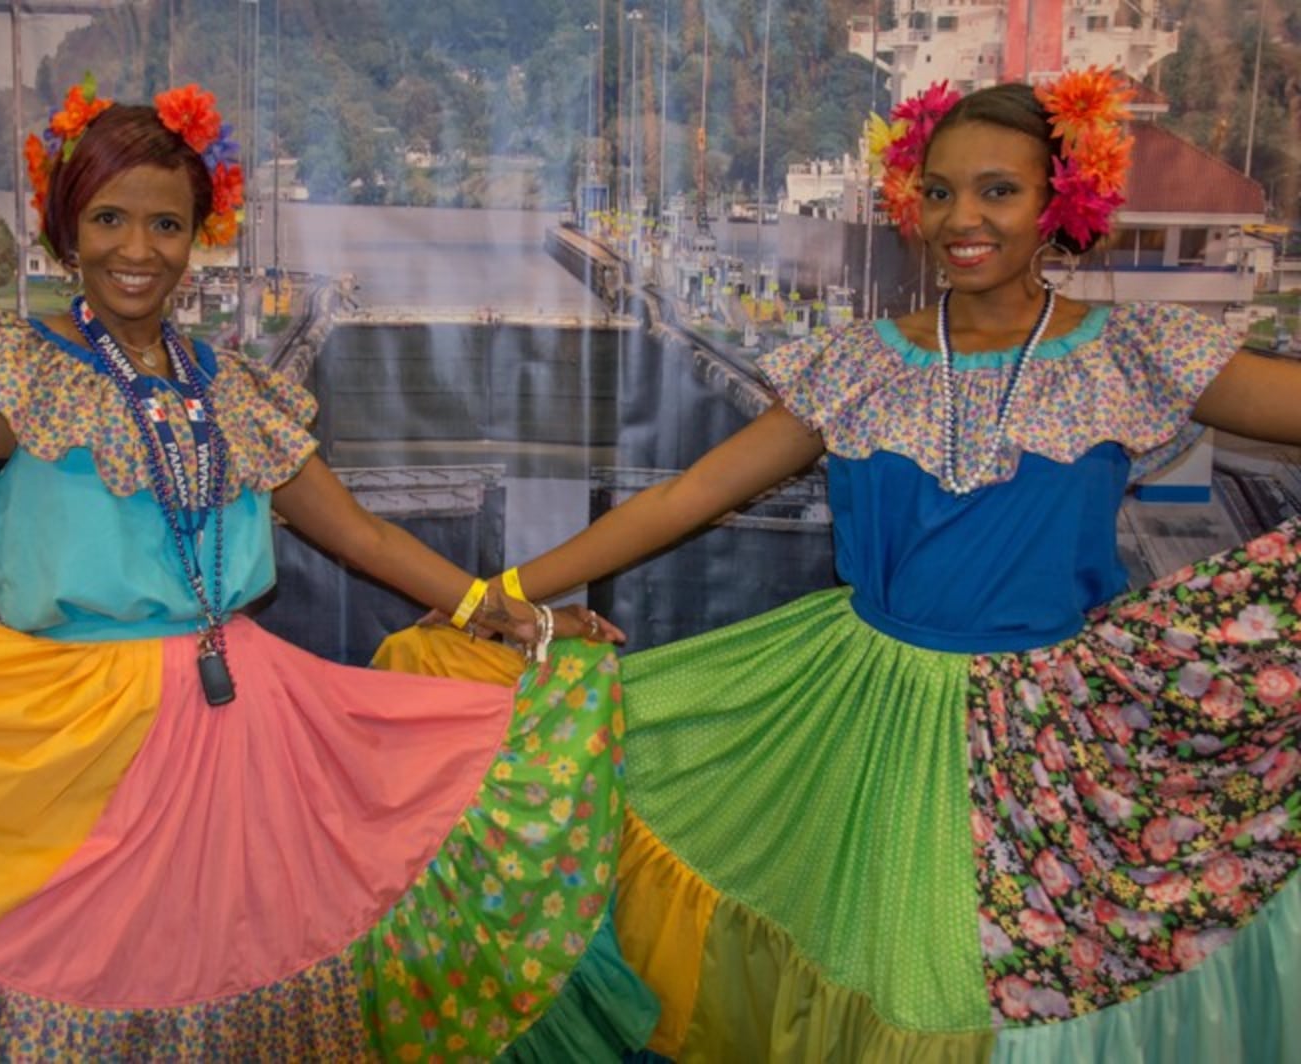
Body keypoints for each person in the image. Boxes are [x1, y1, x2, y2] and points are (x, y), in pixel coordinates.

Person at [0, 79, 657, 1060]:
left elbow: (360, 535)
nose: (136, 248)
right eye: (109, 217)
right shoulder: (4, 371)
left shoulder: (232, 388)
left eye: (166, 222)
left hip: (250, 738)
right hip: (66, 741)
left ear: (200, 232)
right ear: (65, 225)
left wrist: (510, 611)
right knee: (76, 979)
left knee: (245, 983)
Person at [376, 71, 1301, 1061]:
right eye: (938, 192)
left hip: (1047, 731)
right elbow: (687, 494)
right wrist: (501, 595)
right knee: (879, 965)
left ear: (1058, 203)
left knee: (960, 985)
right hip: (857, 710)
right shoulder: (859, 363)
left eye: (998, 190)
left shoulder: (1127, 351)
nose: (961, 218)